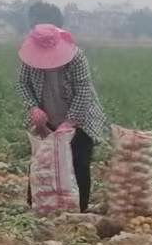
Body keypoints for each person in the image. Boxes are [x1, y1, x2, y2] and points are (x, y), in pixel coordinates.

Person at [16, 24, 110, 213]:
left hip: (81, 118)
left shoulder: (75, 58)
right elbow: (22, 84)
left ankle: (78, 211)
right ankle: (37, 206)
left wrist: (70, 122)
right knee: (42, 162)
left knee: (79, 161)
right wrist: (33, 107)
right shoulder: (30, 60)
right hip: (47, 119)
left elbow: (84, 91)